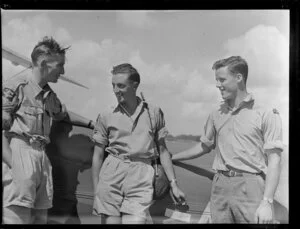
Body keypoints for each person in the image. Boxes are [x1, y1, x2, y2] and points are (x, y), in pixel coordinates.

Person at [172, 56, 284, 224]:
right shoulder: (216, 113)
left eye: (222, 79)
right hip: (220, 187)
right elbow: (203, 146)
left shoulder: (266, 112)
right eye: (217, 80)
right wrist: (172, 158)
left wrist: (267, 202)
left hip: (251, 186)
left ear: (239, 78)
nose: (218, 84)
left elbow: (275, 161)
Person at [2, 36, 95, 224]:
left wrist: (93, 123)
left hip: (41, 158)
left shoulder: (48, 94)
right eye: (59, 65)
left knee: (40, 219)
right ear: (44, 63)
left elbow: (62, 114)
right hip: (20, 152)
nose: (63, 71)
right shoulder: (15, 87)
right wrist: (15, 166)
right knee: (17, 219)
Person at [91, 63, 185, 224]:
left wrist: (174, 184)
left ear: (135, 86)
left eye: (121, 86)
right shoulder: (106, 115)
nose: (115, 90)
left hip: (141, 175)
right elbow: (98, 155)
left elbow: (163, 151)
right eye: (113, 85)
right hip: (111, 173)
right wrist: (96, 190)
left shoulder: (153, 113)